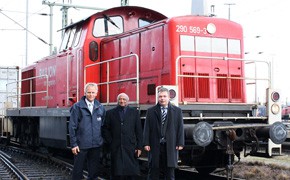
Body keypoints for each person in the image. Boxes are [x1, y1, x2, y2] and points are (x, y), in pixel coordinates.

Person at [143, 87, 184, 180]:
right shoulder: (151, 111)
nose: (162, 98)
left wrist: (180, 143)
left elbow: (180, 128)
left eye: (164, 96)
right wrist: (146, 143)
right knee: (153, 171)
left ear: (169, 97)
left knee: (170, 172)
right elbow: (147, 128)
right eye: (160, 96)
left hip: (170, 145)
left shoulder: (177, 111)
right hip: (155, 145)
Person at [69, 82, 106, 180]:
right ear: (85, 93)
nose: (91, 95)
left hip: (96, 145)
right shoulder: (77, 107)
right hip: (81, 145)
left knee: (94, 172)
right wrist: (74, 144)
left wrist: (101, 140)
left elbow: (103, 126)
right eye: (89, 92)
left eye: (93, 92)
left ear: (96, 93)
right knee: (77, 171)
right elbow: (72, 127)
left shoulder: (101, 107)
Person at [103, 93, 143, 180]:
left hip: (130, 146)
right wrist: (111, 141)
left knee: (131, 172)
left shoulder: (134, 113)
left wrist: (139, 147)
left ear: (128, 101)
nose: (122, 101)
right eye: (120, 99)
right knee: (116, 172)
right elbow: (105, 129)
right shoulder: (110, 113)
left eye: (124, 99)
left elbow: (139, 131)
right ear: (117, 101)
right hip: (116, 146)